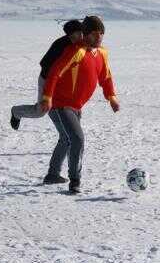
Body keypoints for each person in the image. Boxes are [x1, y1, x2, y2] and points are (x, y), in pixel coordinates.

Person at [41, 15, 120, 193]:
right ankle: (75, 180)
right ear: (85, 34)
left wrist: (111, 97)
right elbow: (55, 72)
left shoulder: (102, 53)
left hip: (76, 106)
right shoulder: (76, 51)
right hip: (60, 105)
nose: (98, 37)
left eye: (101, 33)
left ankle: (52, 174)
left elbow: (105, 77)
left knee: (66, 139)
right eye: (94, 34)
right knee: (77, 139)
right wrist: (47, 97)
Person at [10, 20, 84, 130]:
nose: (76, 38)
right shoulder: (61, 45)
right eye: (72, 37)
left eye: (78, 34)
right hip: (48, 79)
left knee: (74, 108)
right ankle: (16, 112)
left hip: (66, 82)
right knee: (40, 111)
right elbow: (45, 66)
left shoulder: (85, 43)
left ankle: (73, 138)